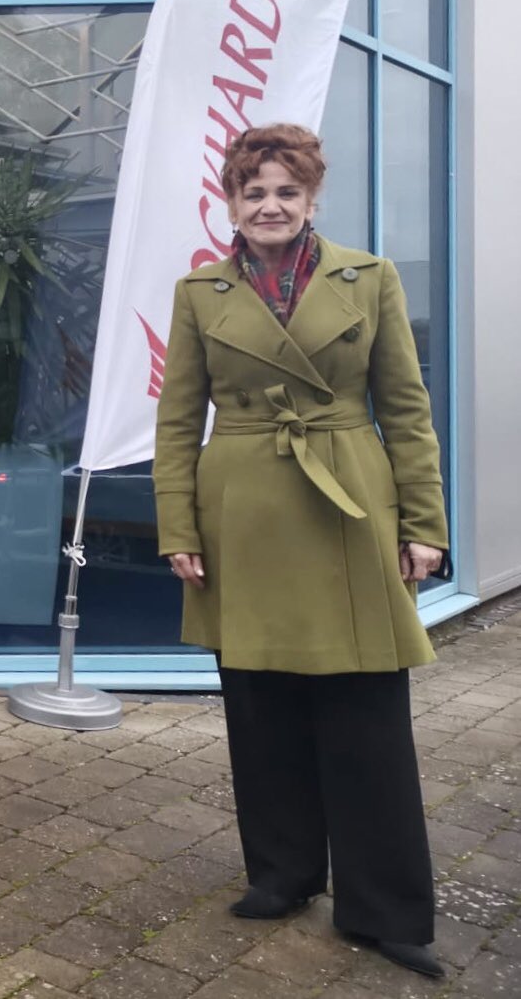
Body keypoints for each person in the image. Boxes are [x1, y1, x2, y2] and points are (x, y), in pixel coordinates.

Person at [153, 123, 448, 979]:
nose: (271, 206)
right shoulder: (200, 291)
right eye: (255, 192)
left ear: (313, 199)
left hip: (349, 502)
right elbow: (177, 421)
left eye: (287, 191)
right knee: (260, 704)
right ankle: (281, 876)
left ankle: (385, 909)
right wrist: (179, 527)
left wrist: (423, 524)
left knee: (367, 715)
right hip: (241, 510)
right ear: (231, 204)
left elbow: (407, 409)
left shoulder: (370, 278)